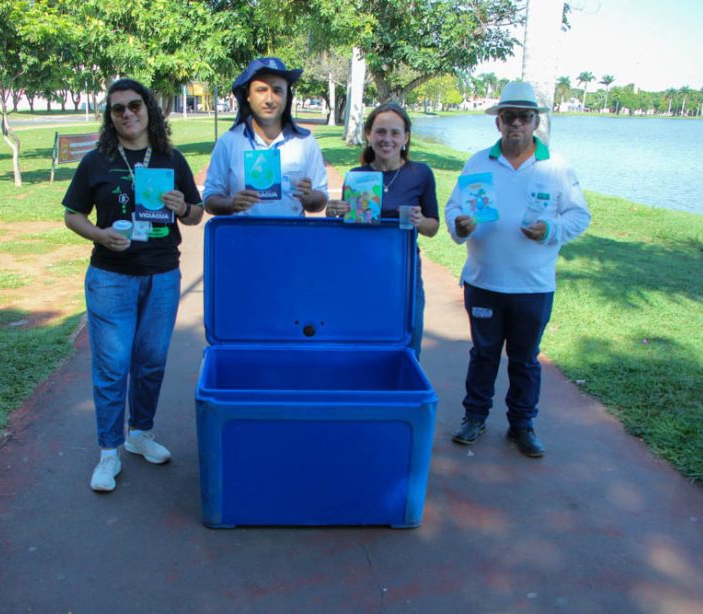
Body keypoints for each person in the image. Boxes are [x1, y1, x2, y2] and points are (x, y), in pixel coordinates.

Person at [62, 78, 204, 492]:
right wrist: (99, 234)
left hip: (161, 275)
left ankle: (140, 433)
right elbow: (73, 214)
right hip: (110, 277)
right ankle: (109, 453)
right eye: (118, 109)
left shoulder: (171, 159)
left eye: (134, 106)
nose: (127, 114)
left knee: (152, 362)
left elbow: (196, 215)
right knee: (112, 366)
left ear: (149, 110)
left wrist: (184, 207)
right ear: (110, 117)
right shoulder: (96, 161)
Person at [445, 81, 591, 458]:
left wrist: (551, 231)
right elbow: (453, 207)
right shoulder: (478, 162)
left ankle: (522, 425)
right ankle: (474, 417)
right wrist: (459, 226)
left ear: (534, 122)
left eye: (524, 118)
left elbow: (579, 215)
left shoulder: (555, 167)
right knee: (483, 354)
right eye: (508, 117)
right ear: (498, 123)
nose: (516, 124)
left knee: (526, 360)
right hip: (484, 281)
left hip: (533, 286)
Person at [325, 102, 439, 356]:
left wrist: (420, 221)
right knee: (364, 338)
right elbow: (345, 230)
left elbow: (433, 227)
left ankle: (404, 391)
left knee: (408, 339)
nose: (387, 139)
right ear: (368, 135)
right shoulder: (356, 176)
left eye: (395, 133)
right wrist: (334, 213)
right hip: (362, 269)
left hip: (404, 269)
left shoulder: (421, 174)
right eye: (380, 132)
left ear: (406, 137)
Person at [203, 57, 328, 216]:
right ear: (248, 95)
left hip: (291, 239)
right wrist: (231, 204)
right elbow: (209, 199)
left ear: (286, 97)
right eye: (261, 90)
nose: (269, 99)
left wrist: (310, 198)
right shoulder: (228, 142)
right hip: (243, 239)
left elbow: (321, 198)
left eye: (277, 90)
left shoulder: (305, 143)